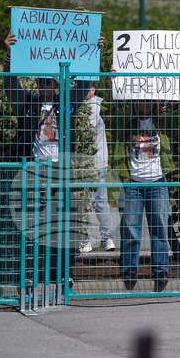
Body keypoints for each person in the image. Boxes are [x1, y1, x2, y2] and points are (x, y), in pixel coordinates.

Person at [3, 30, 104, 289]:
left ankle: (64, 272)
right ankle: (35, 272)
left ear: (58, 84)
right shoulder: (27, 104)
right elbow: (9, 85)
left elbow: (83, 84)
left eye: (48, 82)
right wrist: (9, 55)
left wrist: (95, 51)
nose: (43, 86)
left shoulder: (66, 103)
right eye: (40, 82)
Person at [112, 100, 173, 292]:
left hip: (157, 182)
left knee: (160, 226)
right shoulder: (126, 122)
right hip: (133, 183)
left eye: (149, 99)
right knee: (130, 226)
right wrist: (110, 83)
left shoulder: (162, 123)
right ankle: (129, 269)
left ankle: (161, 269)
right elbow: (109, 114)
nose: (146, 102)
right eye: (141, 99)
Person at [79, 86, 115, 253]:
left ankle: (87, 240)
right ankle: (107, 238)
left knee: (89, 202)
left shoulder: (92, 107)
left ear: (93, 90)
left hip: (92, 162)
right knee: (101, 201)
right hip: (99, 162)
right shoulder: (99, 106)